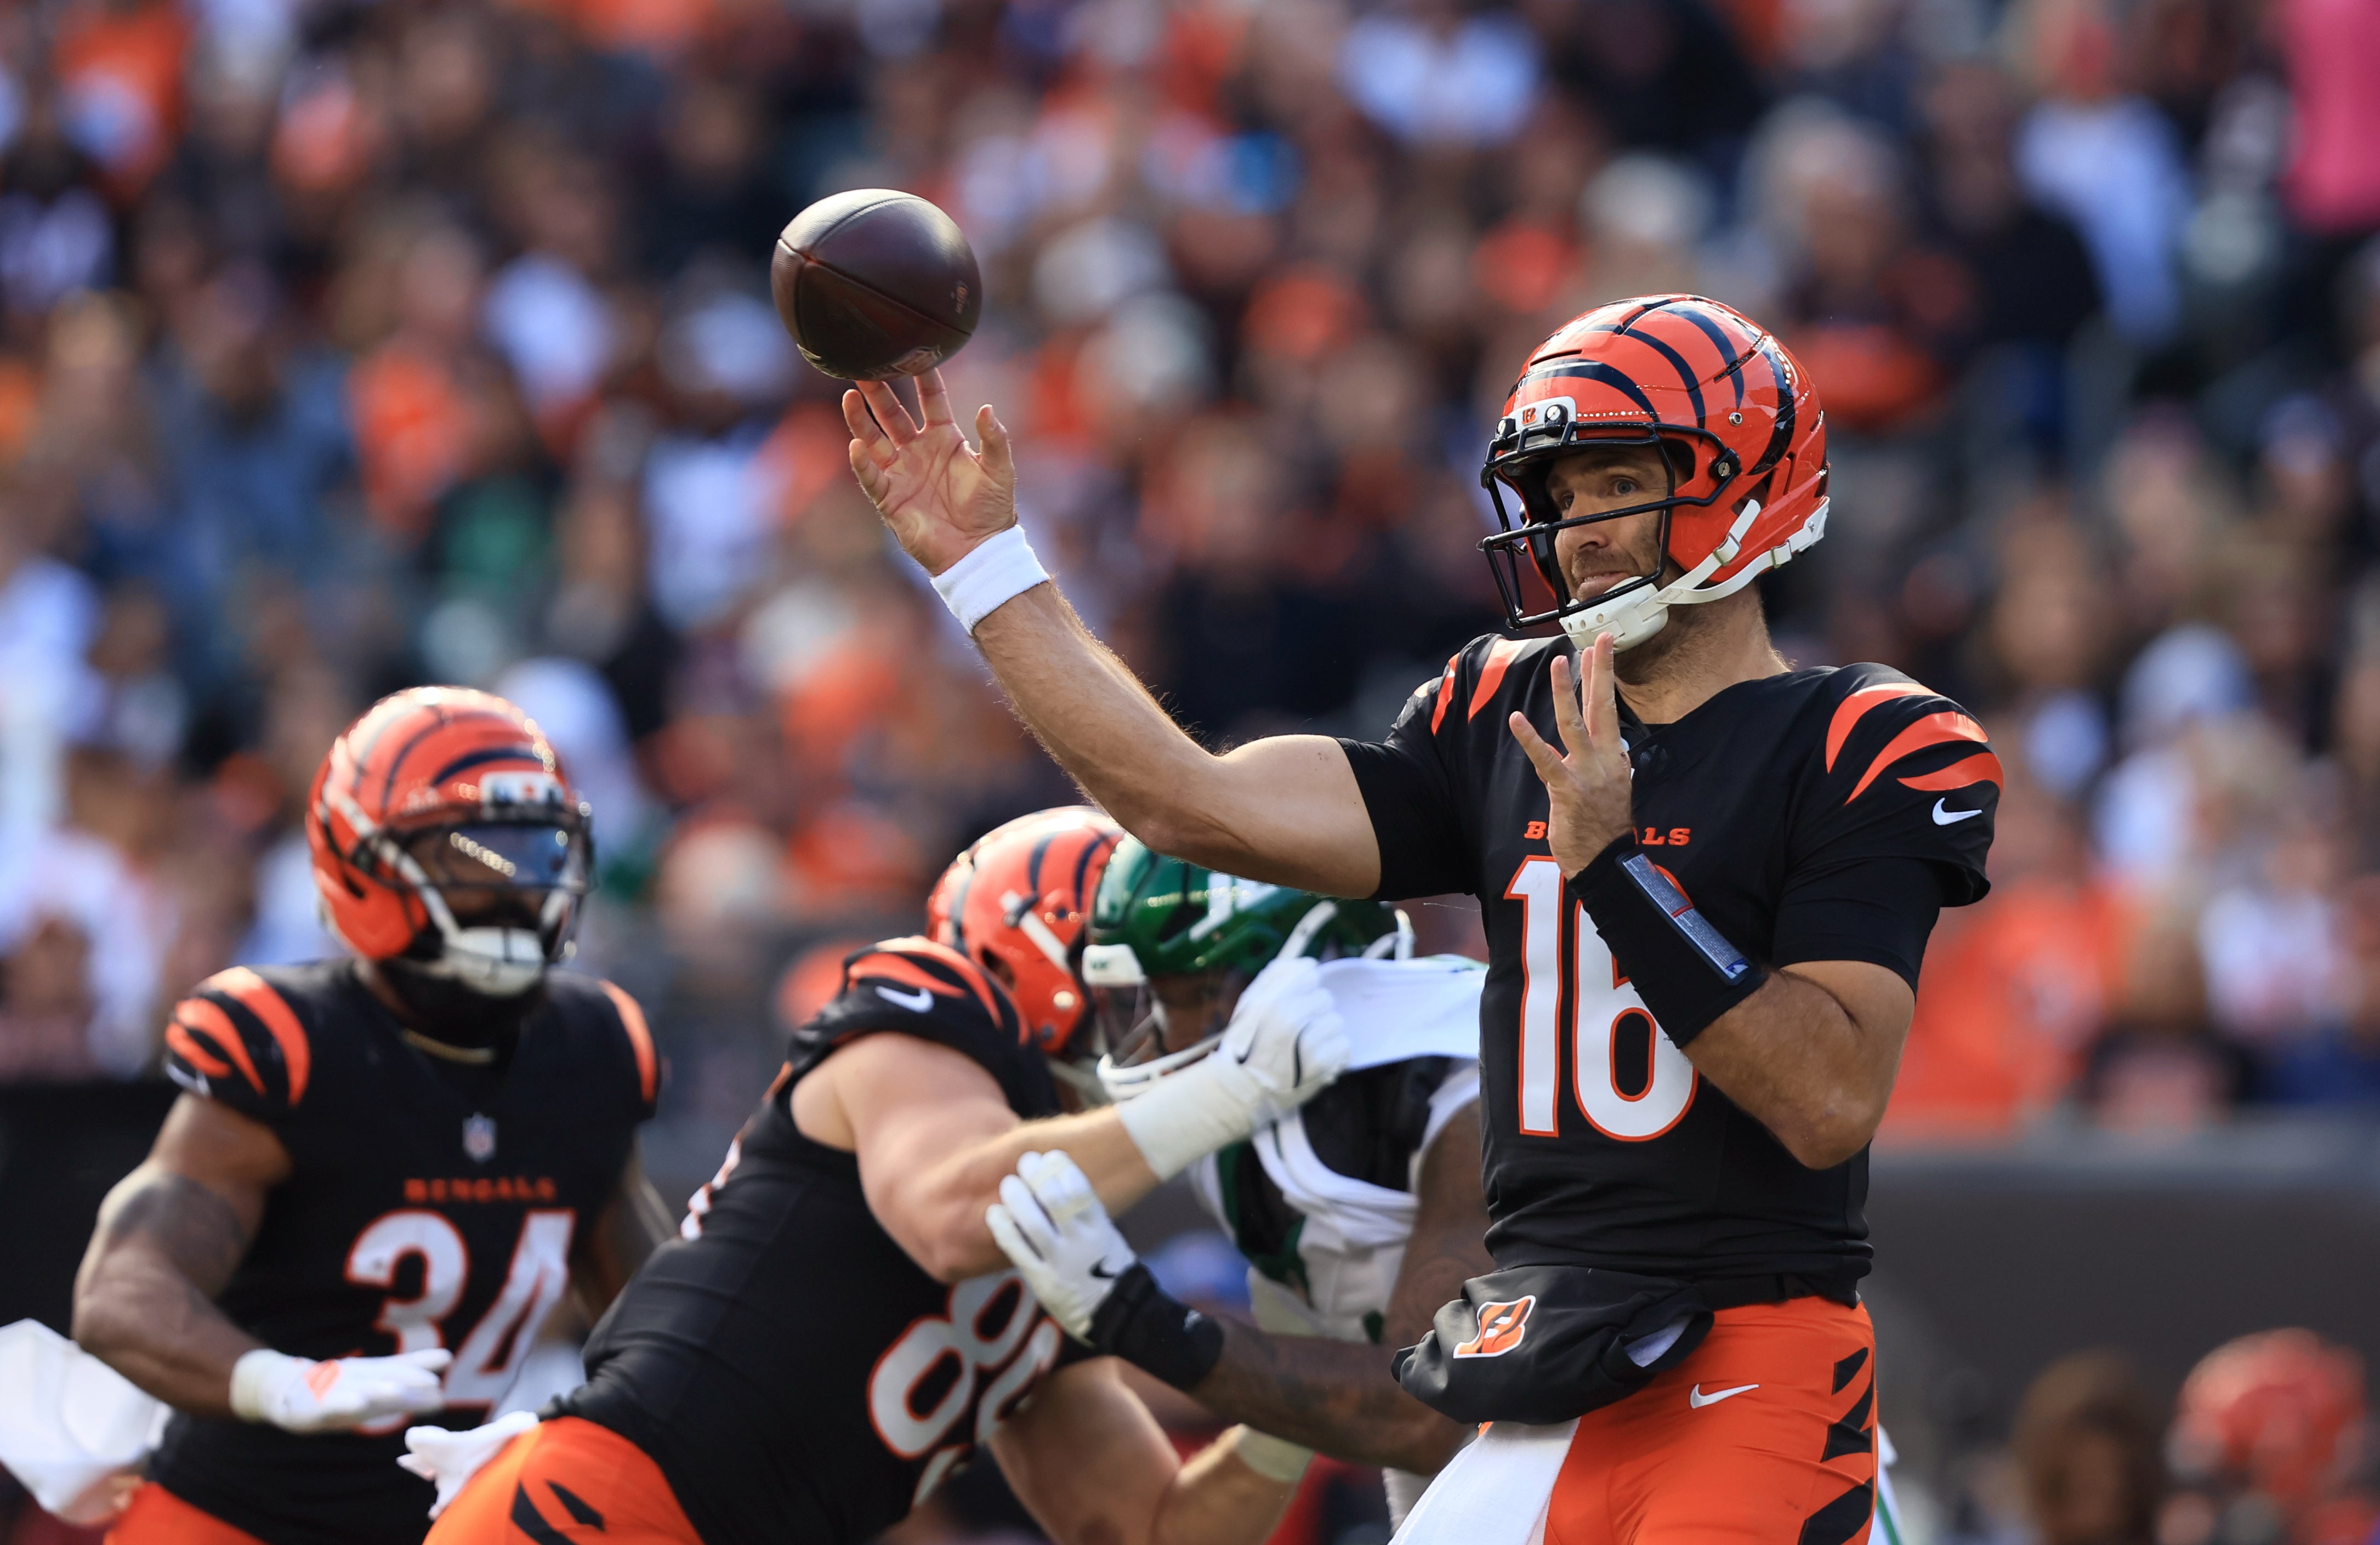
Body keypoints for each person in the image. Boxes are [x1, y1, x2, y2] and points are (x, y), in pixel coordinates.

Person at [843, 293, 1999, 1545]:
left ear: (1745, 482)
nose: (1577, 532)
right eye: (1555, 499)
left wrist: (1610, 863)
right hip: (1545, 1364)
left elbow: (1827, 1097)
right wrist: (984, 567)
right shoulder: (1499, 715)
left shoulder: (1861, 735)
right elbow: (1191, 802)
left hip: (1750, 1350)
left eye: (1616, 482)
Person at [416, 808, 1344, 1545]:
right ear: (1043, 973)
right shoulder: (918, 1014)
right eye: (1152, 995)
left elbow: (1148, 1526)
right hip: (602, 1505)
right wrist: (1230, 1092)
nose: (1180, 1033)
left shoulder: (1054, 1218)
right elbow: (952, 1212)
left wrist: (1291, 1397)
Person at [70, 688, 672, 1545]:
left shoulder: (593, 1049)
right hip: (232, 1521)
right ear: (362, 862)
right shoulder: (294, 1045)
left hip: (445, 1525)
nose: (516, 885)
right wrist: (281, 1382)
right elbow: (120, 1295)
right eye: (473, 853)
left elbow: (657, 1320)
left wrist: (577, 1425)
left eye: (535, 849)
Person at [993, 839, 1489, 1529]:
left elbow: (1421, 1414)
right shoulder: (1255, 1104)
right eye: (1149, 1001)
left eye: (1196, 995)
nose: (1163, 1038)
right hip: (1459, 1489)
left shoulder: (1468, 1091)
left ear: (1306, 964)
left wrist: (1137, 1317)